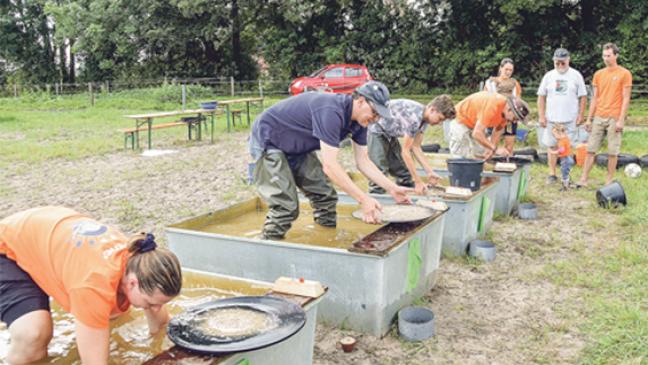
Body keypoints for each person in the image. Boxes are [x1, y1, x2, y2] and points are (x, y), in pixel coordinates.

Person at [0, 206, 182, 365]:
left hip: (44, 233)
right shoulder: (93, 285)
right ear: (133, 282)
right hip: (7, 247)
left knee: (112, 312)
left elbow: (160, 325)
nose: (157, 308)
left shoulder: (140, 260)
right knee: (33, 334)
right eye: (152, 303)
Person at [249, 81, 412, 239]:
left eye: (379, 115)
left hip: (296, 146)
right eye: (374, 112)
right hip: (269, 138)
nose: (375, 118)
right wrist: (363, 199)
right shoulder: (331, 111)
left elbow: (363, 161)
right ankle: (266, 246)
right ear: (361, 101)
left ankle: (324, 240)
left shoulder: (360, 122)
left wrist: (391, 188)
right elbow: (330, 166)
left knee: (325, 196)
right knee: (286, 207)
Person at [367, 95, 456, 196]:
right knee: (379, 171)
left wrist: (430, 171)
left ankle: (405, 200)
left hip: (389, 134)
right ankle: (376, 200)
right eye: (440, 119)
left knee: (404, 173)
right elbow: (406, 152)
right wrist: (418, 181)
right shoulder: (414, 118)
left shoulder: (424, 120)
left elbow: (416, 147)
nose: (439, 123)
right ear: (432, 110)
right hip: (376, 129)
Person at [579, 43, 633, 186]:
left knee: (612, 151)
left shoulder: (625, 73)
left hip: (614, 116)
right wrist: (589, 119)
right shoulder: (598, 74)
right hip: (599, 115)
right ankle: (584, 178)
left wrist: (621, 120)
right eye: (604, 56)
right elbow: (595, 98)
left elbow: (626, 97)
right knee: (591, 149)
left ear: (616, 55)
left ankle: (609, 180)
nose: (606, 58)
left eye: (609, 55)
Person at [537, 48, 587, 184]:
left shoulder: (576, 76)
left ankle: (566, 175)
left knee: (567, 148)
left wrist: (581, 115)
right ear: (553, 61)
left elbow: (583, 97)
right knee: (552, 146)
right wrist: (541, 115)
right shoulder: (548, 76)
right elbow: (541, 97)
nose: (560, 66)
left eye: (562, 63)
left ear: (568, 60)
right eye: (557, 63)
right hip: (552, 118)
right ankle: (552, 174)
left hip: (569, 119)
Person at [448, 91, 529, 159]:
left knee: (481, 152)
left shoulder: (506, 115)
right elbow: (476, 133)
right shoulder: (493, 106)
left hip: (476, 123)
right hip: (460, 118)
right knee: (460, 152)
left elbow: (497, 130)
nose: (514, 122)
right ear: (509, 110)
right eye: (516, 118)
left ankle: (477, 174)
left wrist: (491, 148)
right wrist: (495, 149)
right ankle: (457, 174)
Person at [483, 58, 523, 154]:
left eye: (510, 70)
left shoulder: (514, 84)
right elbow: (485, 99)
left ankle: (507, 165)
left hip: (509, 118)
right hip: (494, 117)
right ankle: (487, 163)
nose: (508, 72)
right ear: (500, 68)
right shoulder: (490, 83)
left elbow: (518, 101)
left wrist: (517, 114)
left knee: (509, 146)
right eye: (506, 69)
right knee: (491, 145)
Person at [547, 124, 575, 191]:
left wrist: (553, 152)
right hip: (569, 158)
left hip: (565, 159)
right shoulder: (566, 138)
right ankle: (567, 183)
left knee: (564, 172)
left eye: (554, 134)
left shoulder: (561, 141)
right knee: (566, 171)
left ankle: (565, 186)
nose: (554, 136)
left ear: (560, 133)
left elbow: (562, 150)